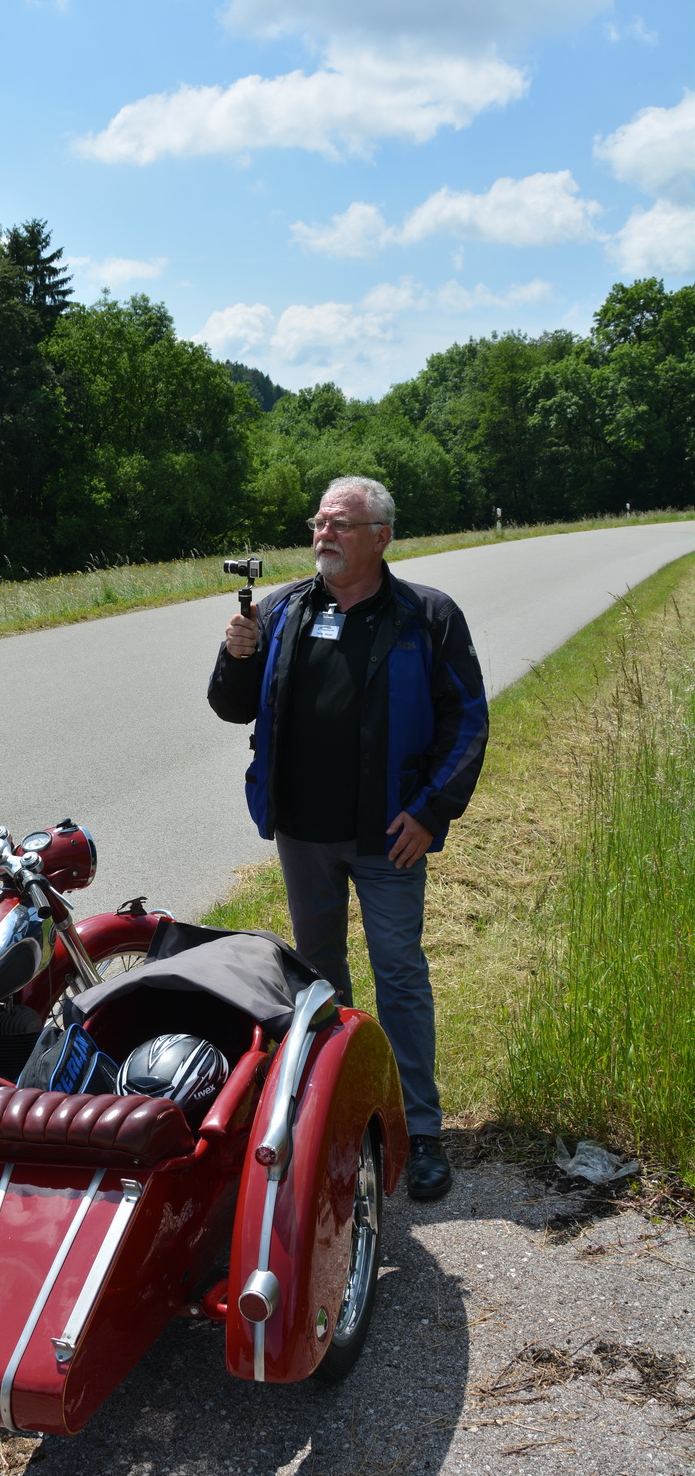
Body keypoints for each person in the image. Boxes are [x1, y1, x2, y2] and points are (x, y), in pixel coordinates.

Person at [208, 475, 488, 1201]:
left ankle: (419, 1132)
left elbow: (466, 720)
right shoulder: (283, 609)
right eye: (319, 523)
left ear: (381, 536)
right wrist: (235, 655)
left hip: (389, 835)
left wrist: (431, 812)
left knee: (398, 977)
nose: (323, 534)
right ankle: (336, 1115)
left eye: (340, 524)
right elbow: (230, 709)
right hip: (303, 834)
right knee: (320, 984)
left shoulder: (425, 615)